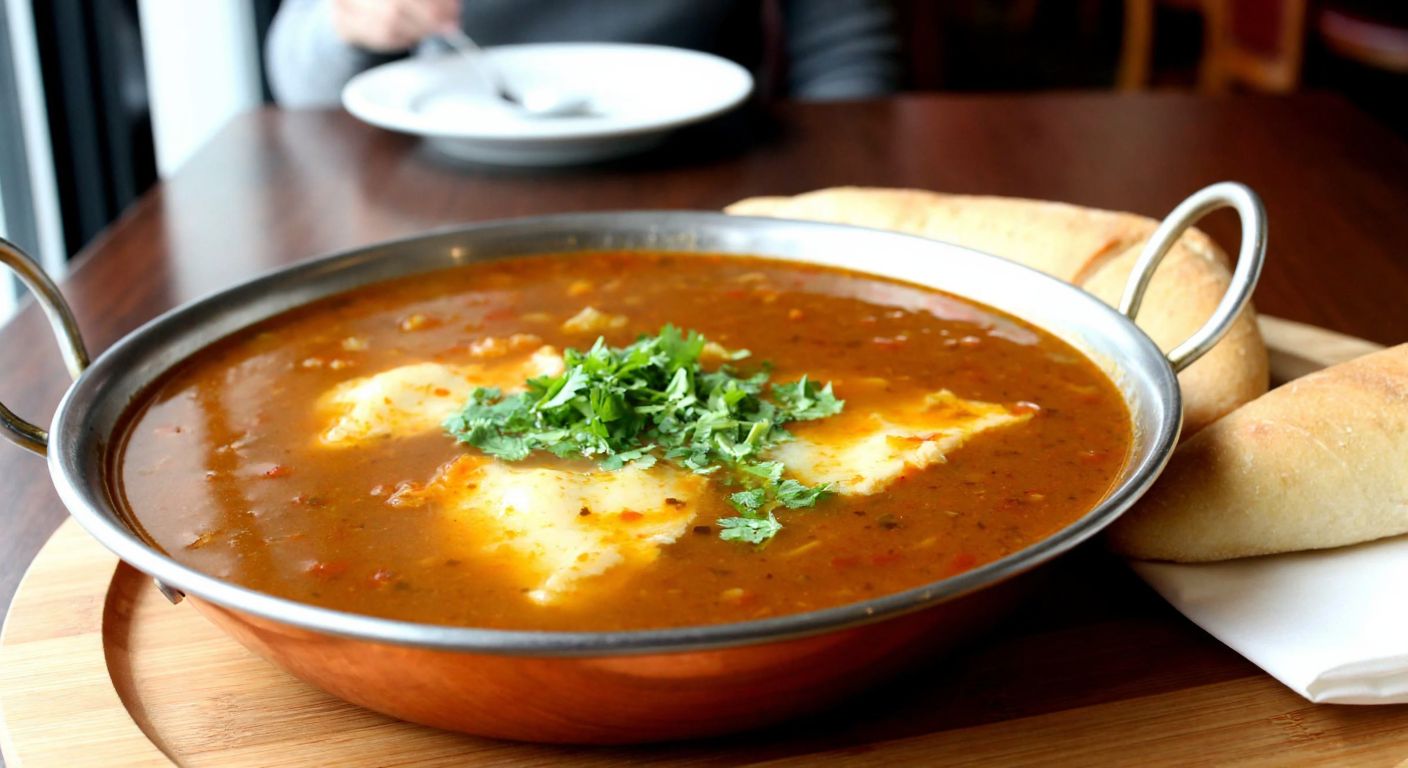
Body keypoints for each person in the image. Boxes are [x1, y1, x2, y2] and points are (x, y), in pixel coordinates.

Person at [266, 0, 900, 107]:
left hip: (718, 159)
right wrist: (345, 23)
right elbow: (300, 80)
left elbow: (848, 48)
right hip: (449, 182)